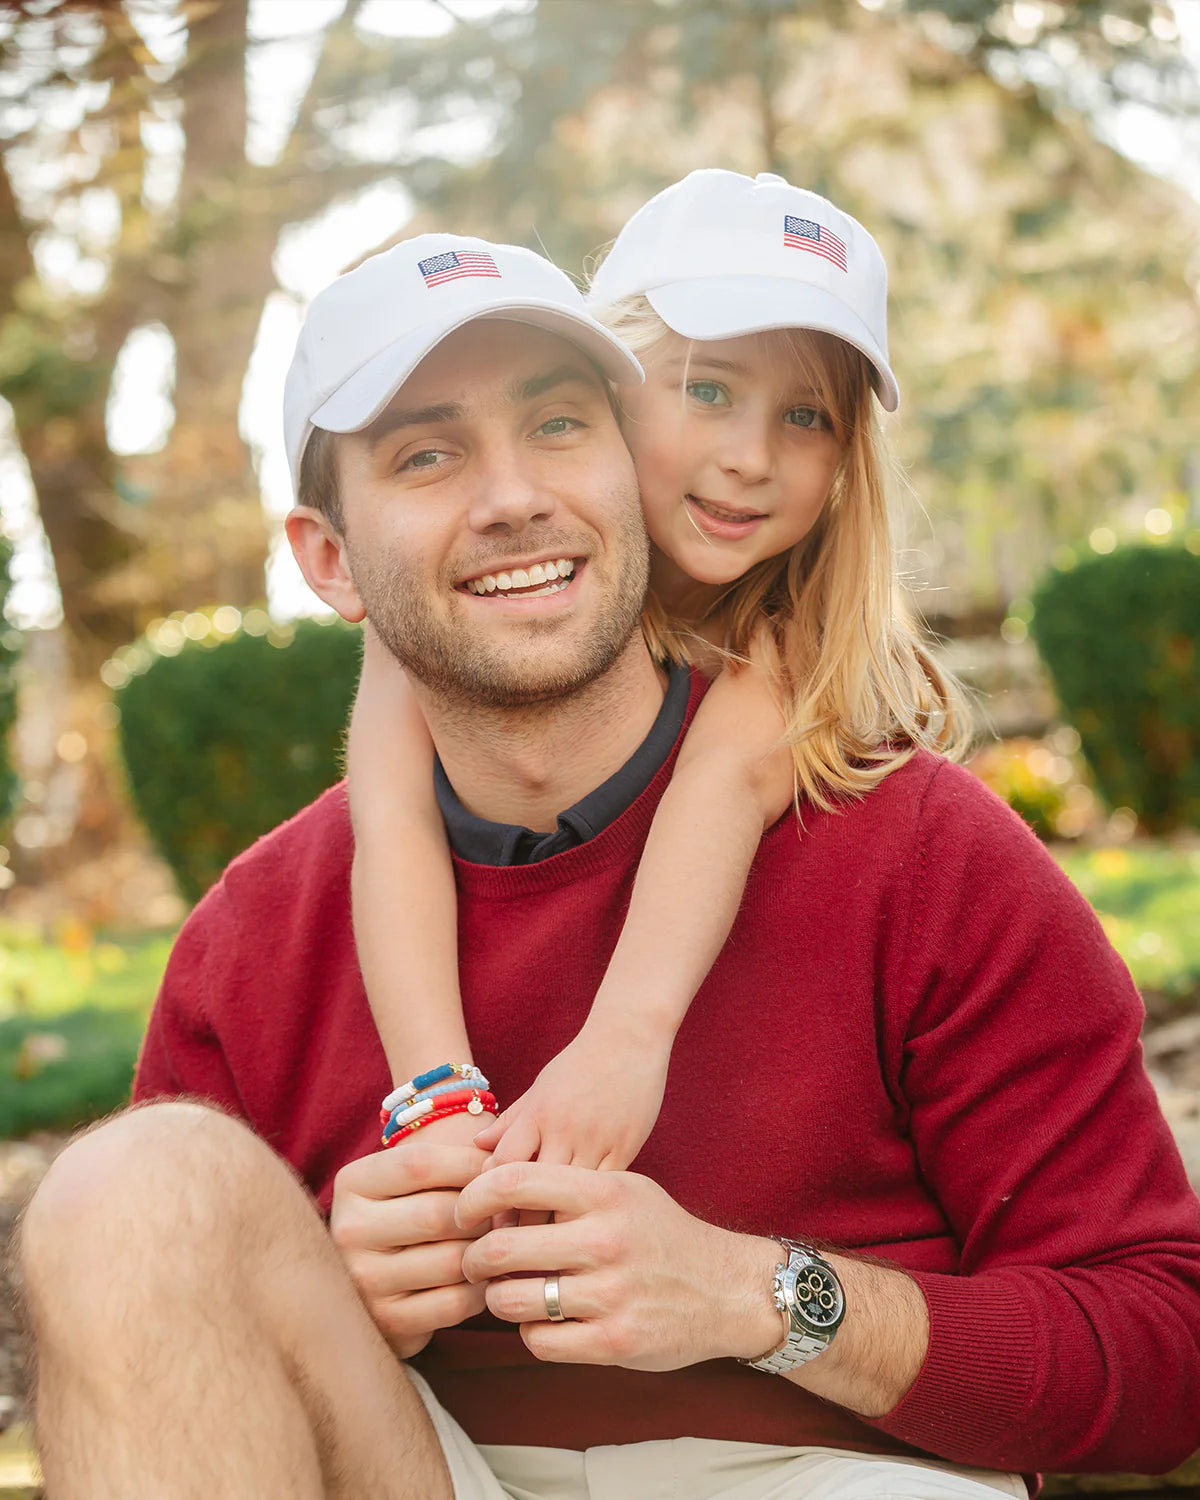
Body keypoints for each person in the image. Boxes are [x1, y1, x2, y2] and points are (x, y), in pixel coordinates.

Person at [18, 191, 1200, 1500]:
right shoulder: (262, 935)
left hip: (827, 1467)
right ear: (330, 563)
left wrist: (765, 1296)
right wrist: (326, 1284)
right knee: (130, 1190)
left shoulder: (912, 844)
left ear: (615, 462)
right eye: (426, 456)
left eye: (556, 425)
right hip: (429, 1466)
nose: (516, 498)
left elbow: (1160, 1355)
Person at [348, 170, 965, 1175]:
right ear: (604, 388)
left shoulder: (786, 640)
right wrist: (436, 1092)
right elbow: (390, 816)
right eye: (709, 390)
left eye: (807, 417)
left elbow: (718, 786)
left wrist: (623, 1043)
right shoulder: (452, 594)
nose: (751, 457)